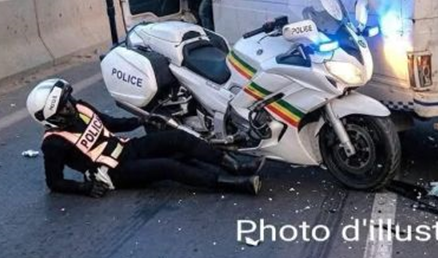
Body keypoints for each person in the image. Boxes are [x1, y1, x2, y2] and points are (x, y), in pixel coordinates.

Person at [26, 78, 263, 197]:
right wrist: (85, 188)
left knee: (177, 139)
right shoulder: (53, 144)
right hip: (113, 173)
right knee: (167, 167)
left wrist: (143, 120)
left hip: (126, 148)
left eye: (68, 101)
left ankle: (235, 166)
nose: (70, 107)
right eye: (64, 108)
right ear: (52, 119)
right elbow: (54, 183)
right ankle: (233, 185)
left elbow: (109, 123)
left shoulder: (81, 108)